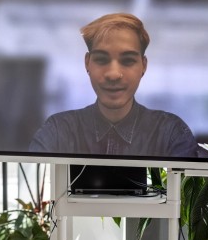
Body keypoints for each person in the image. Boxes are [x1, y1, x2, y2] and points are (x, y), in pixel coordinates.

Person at [29, 12, 197, 157]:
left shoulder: (171, 133)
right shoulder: (58, 131)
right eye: (101, 59)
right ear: (87, 63)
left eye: (128, 60)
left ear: (143, 65)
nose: (113, 74)